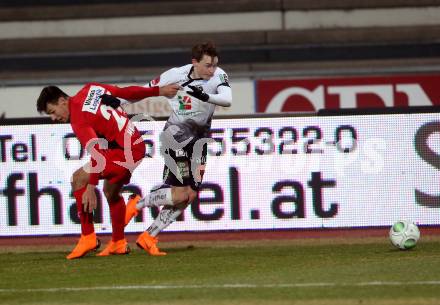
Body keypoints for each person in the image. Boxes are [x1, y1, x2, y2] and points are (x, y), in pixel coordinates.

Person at [104, 42, 232, 256]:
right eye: (208, 65)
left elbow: (227, 100)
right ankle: (136, 205)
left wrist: (203, 96)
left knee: (190, 195)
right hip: (176, 137)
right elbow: (145, 90)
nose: (212, 70)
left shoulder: (219, 75)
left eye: (214, 65)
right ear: (194, 63)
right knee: (181, 193)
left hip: (200, 141)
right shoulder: (175, 75)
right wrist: (117, 101)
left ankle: (149, 236)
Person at [36, 82, 179, 259]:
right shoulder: (91, 88)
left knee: (78, 178)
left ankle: (88, 237)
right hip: (134, 145)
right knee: (111, 193)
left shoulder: (78, 118)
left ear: (62, 100)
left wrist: (90, 187)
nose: (53, 118)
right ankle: (118, 242)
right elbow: (126, 92)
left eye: (52, 112)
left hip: (124, 152)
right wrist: (158, 90)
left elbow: (97, 154)